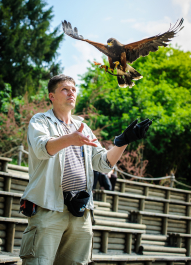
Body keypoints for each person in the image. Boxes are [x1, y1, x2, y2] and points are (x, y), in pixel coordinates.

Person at [19, 74, 152, 265]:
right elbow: (42, 149)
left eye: (73, 89)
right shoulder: (40, 121)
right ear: (52, 96)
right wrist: (69, 139)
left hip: (80, 211)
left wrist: (123, 142)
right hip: (48, 207)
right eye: (65, 89)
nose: (71, 92)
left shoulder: (83, 127)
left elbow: (102, 163)